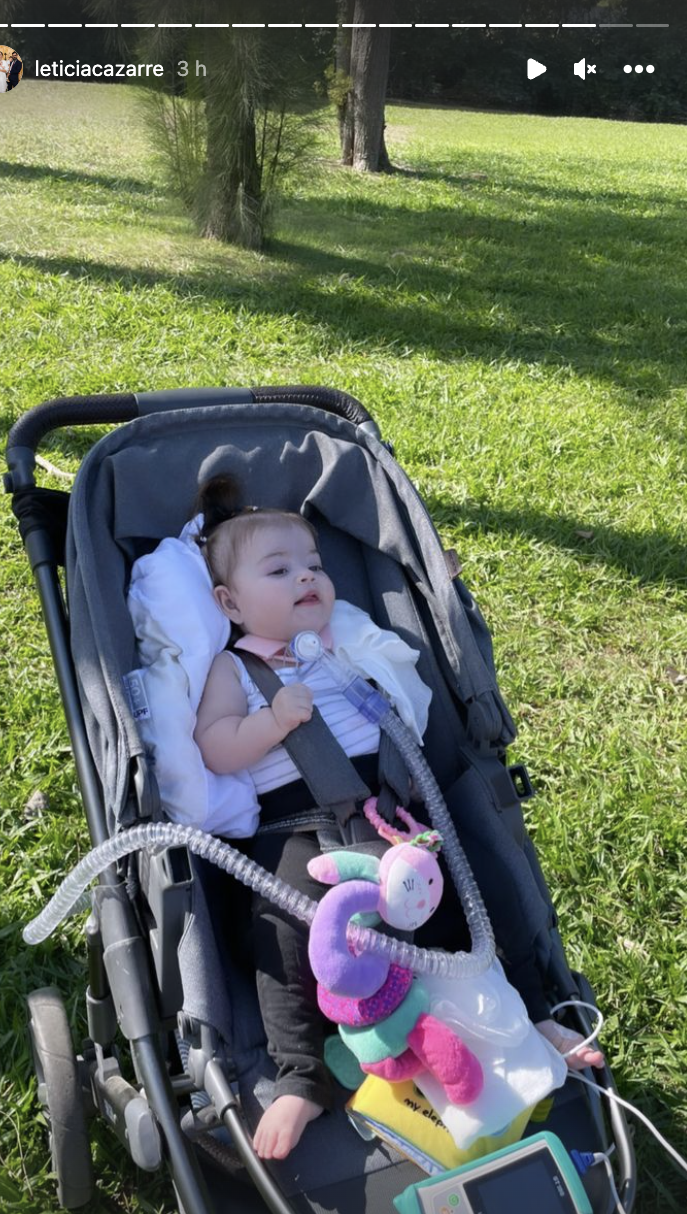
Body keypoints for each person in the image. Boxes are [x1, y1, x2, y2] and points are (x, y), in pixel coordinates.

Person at [194, 475, 603, 1161]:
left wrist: (432, 583)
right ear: (230, 603)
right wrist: (268, 722)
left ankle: (521, 1021)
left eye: (316, 566)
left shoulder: (349, 642)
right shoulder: (232, 668)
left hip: (396, 817)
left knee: (462, 915)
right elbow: (213, 746)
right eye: (280, 570)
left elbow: (409, 672)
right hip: (294, 829)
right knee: (283, 934)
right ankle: (300, 1074)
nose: (307, 578)